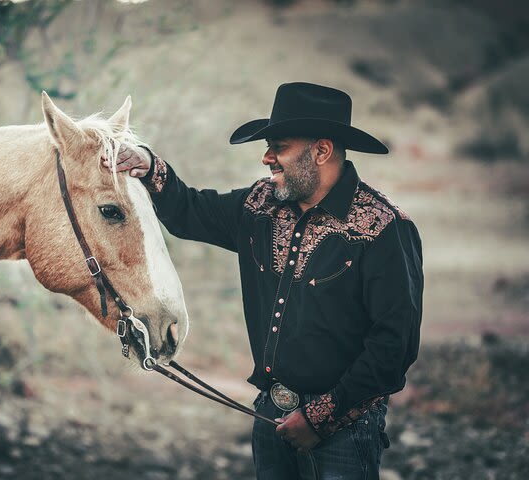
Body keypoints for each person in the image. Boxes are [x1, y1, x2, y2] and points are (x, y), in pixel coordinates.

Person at [104, 82, 423, 480]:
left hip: (346, 430)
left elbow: (395, 345)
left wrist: (319, 418)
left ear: (321, 151)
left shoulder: (384, 228)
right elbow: (190, 211)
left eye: (280, 146)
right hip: (270, 416)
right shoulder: (259, 206)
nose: (267, 157)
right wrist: (148, 165)